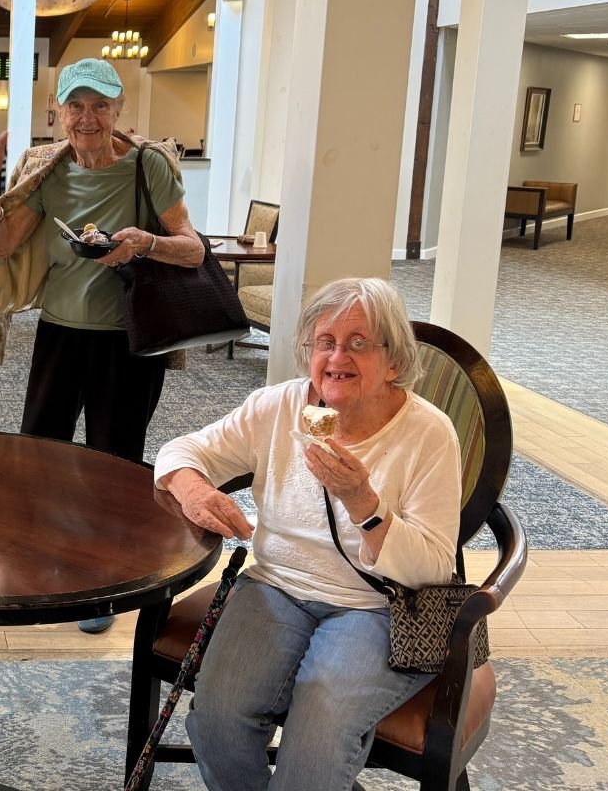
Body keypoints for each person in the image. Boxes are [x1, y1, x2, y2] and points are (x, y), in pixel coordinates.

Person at [153, 277, 462, 791]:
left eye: (359, 343)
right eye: (325, 342)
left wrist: (364, 503)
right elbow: (182, 450)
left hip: (376, 605)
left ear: (393, 361)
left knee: (316, 749)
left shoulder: (428, 433)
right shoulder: (277, 407)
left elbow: (431, 567)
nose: (338, 357)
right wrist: (195, 491)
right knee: (215, 722)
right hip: (277, 586)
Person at [0, 56, 206, 634]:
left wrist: (144, 242)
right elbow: (2, 246)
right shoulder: (49, 169)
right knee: (39, 451)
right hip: (60, 334)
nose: (87, 117)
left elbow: (193, 248)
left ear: (119, 109)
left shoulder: (148, 165)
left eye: (100, 105)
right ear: (59, 111)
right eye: (76, 105)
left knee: (113, 464)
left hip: (129, 341)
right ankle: (36, 561)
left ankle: (104, 584)